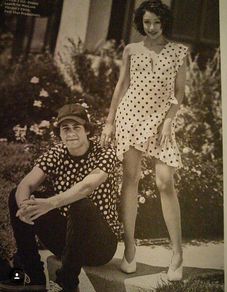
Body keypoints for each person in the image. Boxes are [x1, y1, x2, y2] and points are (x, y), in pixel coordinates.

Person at [101, 0, 188, 281]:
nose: (151, 28)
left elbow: (179, 93)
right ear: (141, 22)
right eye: (147, 22)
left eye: (157, 23)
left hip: (161, 122)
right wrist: (110, 121)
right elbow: (121, 85)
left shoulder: (177, 52)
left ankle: (177, 253)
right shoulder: (131, 50)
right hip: (130, 118)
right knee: (131, 178)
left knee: (164, 181)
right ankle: (129, 248)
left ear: (165, 23)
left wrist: (168, 120)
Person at [0, 103, 121, 292]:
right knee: (16, 195)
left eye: (76, 127)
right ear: (60, 133)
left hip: (100, 246)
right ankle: (34, 276)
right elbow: (26, 184)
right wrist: (25, 207)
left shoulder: (104, 151)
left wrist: (49, 203)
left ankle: (67, 283)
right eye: (65, 128)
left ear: (87, 130)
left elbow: (86, 187)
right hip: (66, 242)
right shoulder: (57, 153)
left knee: (81, 204)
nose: (71, 133)